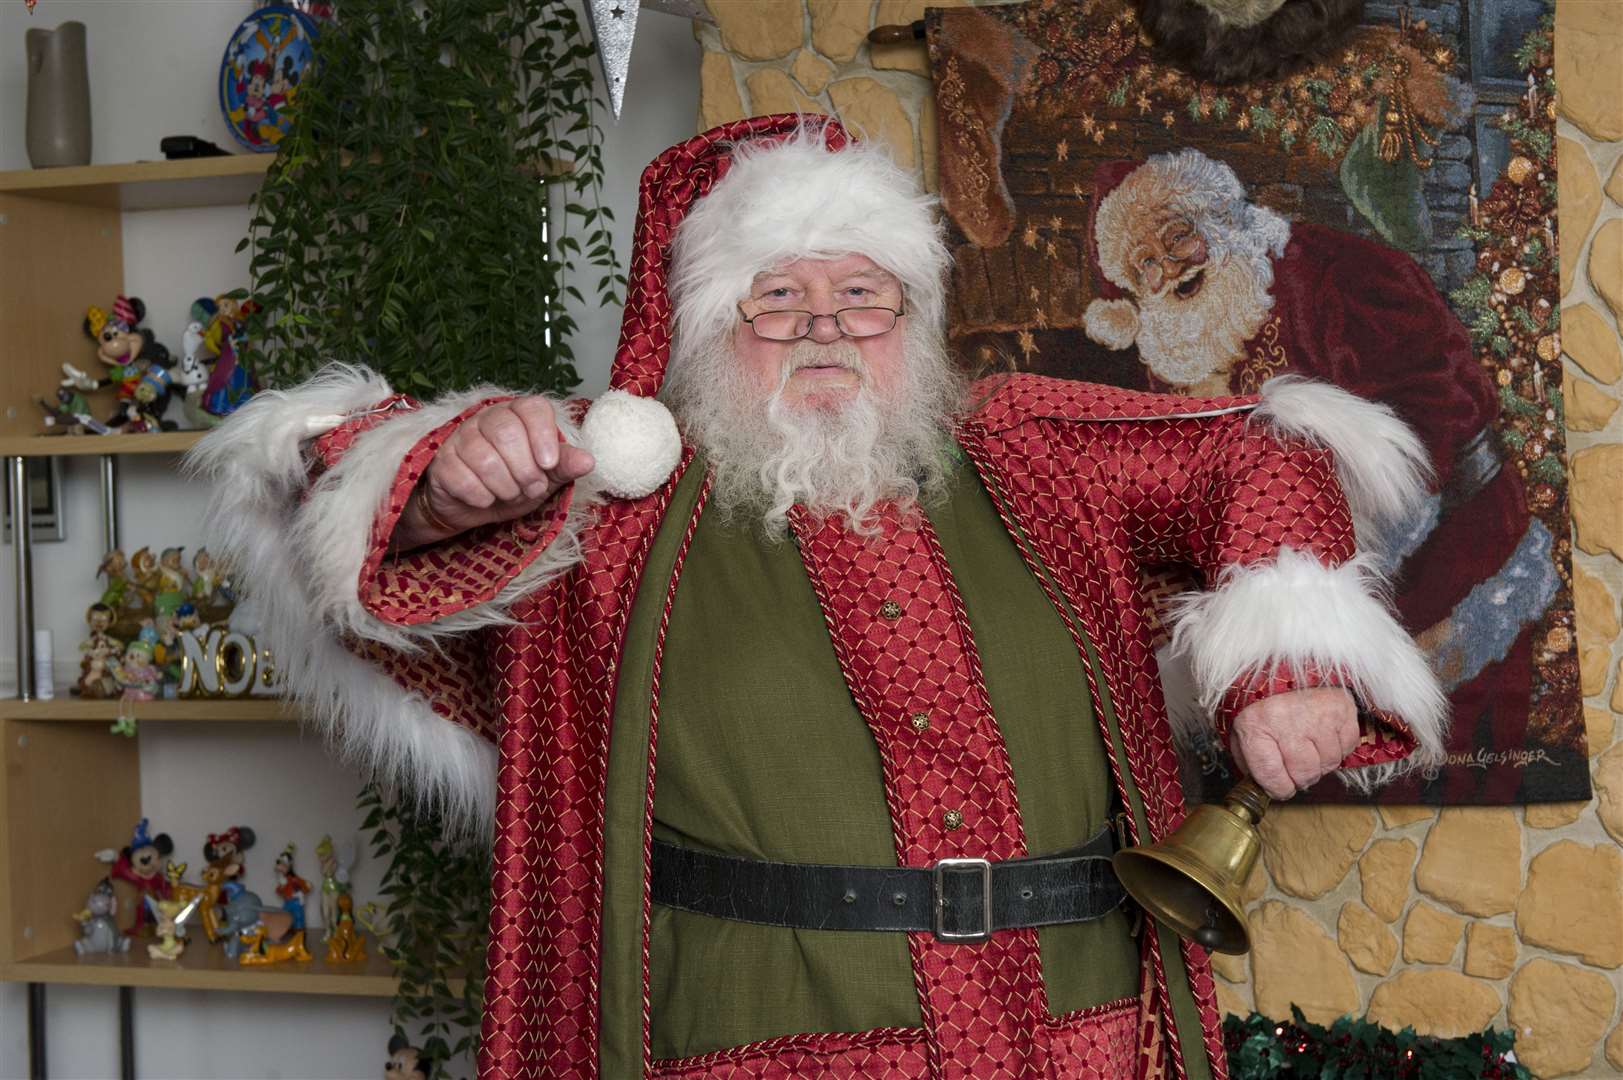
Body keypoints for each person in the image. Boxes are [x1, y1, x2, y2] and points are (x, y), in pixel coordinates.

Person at [192, 118, 1444, 1079]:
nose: (824, 328)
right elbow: (321, 494)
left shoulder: (1034, 453)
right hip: (765, 1036)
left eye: (864, 294)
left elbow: (1259, 451)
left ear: (916, 314)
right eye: (776, 298)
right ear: (700, 334)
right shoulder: (602, 498)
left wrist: (1292, 656)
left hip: (1075, 1032)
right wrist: (441, 489)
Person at [1081, 148, 1550, 801]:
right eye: (1146, 265)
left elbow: (1433, 408)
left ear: (1220, 213)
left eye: (1179, 235)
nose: (1173, 269)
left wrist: (1338, 544)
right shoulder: (1168, 339)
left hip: (1445, 551)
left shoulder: (1342, 272)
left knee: (1449, 769)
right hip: (1296, 606)